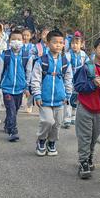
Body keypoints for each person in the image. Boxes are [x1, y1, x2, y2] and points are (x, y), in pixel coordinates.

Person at [73, 37, 100, 179]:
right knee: (85, 137)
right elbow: (78, 87)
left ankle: (89, 157)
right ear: (95, 49)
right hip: (85, 107)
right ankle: (83, 161)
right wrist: (93, 84)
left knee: (94, 137)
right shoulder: (87, 67)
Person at [30, 29, 73, 157]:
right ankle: (42, 140)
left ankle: (52, 142)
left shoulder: (65, 62)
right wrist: (37, 94)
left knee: (57, 123)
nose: (58, 45)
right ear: (47, 43)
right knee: (48, 121)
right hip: (45, 99)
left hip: (60, 99)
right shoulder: (41, 61)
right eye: (55, 42)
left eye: (61, 42)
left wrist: (68, 95)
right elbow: (36, 79)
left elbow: (68, 79)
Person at [0, 29, 32, 141]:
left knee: (16, 109)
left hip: (20, 89)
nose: (16, 41)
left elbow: (28, 73)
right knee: (11, 109)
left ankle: (7, 123)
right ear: (9, 41)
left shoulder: (26, 57)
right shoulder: (5, 56)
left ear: (23, 41)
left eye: (19, 39)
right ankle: (12, 131)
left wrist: (27, 87)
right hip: (7, 89)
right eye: (13, 39)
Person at [63, 32, 89, 128]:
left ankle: (74, 116)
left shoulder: (83, 55)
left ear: (81, 44)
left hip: (79, 80)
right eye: (73, 43)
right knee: (68, 97)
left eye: (77, 43)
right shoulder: (67, 55)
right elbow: (64, 67)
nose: (75, 45)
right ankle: (67, 118)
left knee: (77, 98)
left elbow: (88, 65)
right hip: (69, 80)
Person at [21, 28, 36, 113]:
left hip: (31, 68)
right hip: (21, 67)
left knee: (30, 86)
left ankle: (29, 104)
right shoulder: (19, 45)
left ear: (30, 36)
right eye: (24, 35)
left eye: (27, 35)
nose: (25, 37)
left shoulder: (33, 47)